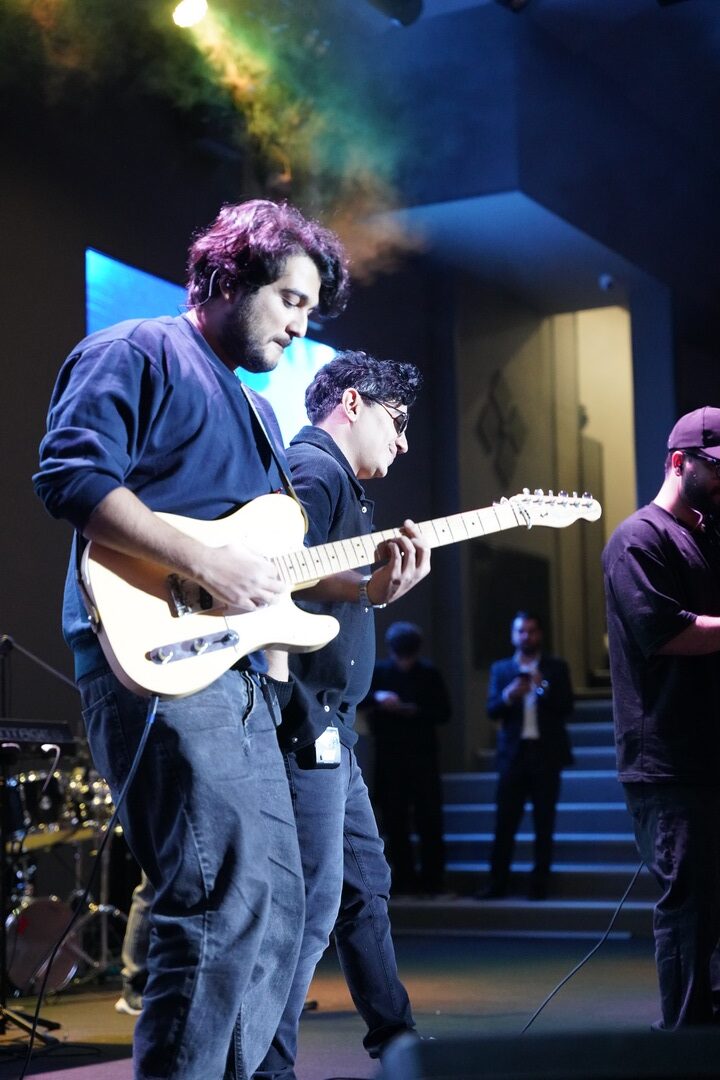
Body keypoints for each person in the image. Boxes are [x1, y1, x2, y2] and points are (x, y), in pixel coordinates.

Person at [33, 199, 352, 1080]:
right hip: (156, 663)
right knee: (217, 898)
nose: (301, 324)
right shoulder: (137, 349)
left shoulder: (255, 412)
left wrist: (365, 583)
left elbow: (260, 569)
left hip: (239, 676)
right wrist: (204, 562)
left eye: (309, 308)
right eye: (290, 300)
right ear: (225, 278)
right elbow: (69, 475)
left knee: (281, 903)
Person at [254, 351, 431, 1080]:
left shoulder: (340, 483)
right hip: (309, 721)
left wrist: (366, 583)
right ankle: (268, 1067)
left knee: (363, 889)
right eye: (398, 421)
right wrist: (367, 588)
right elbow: (277, 567)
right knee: (312, 906)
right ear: (353, 403)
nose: (404, 442)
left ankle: (400, 1041)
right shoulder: (315, 468)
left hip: (332, 725)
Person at [602, 405, 720, 1030]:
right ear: (679, 462)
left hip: (707, 755)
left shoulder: (708, 537)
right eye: (716, 468)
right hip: (668, 763)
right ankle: (683, 1043)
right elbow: (666, 632)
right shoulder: (637, 539)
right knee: (690, 908)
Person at [480, 611, 574, 901]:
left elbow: (567, 707)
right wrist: (509, 694)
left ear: (540, 634)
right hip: (513, 755)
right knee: (504, 822)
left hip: (546, 755)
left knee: (544, 822)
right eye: (521, 631)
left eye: (531, 631)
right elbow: (492, 709)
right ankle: (497, 882)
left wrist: (541, 686)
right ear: (513, 635)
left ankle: (539, 884)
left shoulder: (556, 668)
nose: (526, 636)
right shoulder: (501, 669)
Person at [367, 621, 451, 896]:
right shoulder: (380, 673)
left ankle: (431, 880)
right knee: (395, 820)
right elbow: (360, 699)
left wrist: (415, 710)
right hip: (391, 757)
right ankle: (405, 879)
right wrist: (378, 698)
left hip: (421, 756)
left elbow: (443, 712)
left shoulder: (428, 674)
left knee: (429, 820)